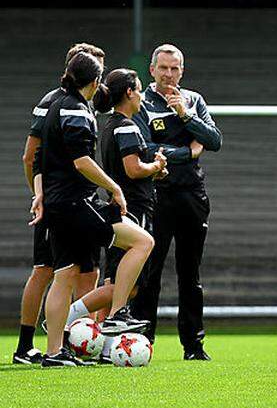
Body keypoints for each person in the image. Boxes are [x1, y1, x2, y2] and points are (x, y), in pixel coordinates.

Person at [37, 52, 155, 366]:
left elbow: (37, 159)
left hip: (57, 203)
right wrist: (114, 188)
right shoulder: (76, 109)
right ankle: (117, 315)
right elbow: (81, 161)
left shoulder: (56, 105)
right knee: (143, 242)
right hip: (77, 202)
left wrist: (39, 194)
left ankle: (53, 353)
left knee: (64, 275)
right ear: (94, 81)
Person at [14, 43, 106, 364]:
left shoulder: (81, 104)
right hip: (60, 200)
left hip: (68, 199)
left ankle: (76, 342)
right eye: (97, 72)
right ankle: (37, 346)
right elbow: (31, 156)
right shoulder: (55, 104)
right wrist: (39, 194)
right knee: (52, 270)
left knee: (82, 271)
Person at [131, 44, 223, 360]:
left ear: (182, 71)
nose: (169, 74)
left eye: (175, 68)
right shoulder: (141, 103)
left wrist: (185, 115)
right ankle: (144, 342)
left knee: (190, 274)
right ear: (152, 70)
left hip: (191, 196)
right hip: (156, 195)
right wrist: (188, 151)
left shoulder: (193, 100)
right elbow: (145, 149)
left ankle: (194, 346)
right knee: (150, 271)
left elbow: (214, 141)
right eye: (163, 68)